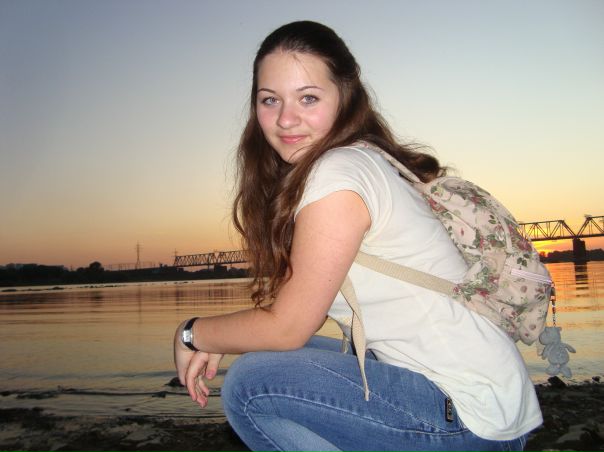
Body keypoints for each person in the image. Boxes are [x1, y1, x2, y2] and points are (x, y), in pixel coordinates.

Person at [173, 20, 541, 452]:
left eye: (308, 98)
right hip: (491, 401)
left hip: (469, 415)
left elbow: (288, 328)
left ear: (345, 96)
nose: (286, 119)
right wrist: (228, 336)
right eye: (270, 99)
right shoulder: (361, 159)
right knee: (262, 359)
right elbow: (297, 316)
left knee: (250, 385)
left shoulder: (338, 173)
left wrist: (192, 332)